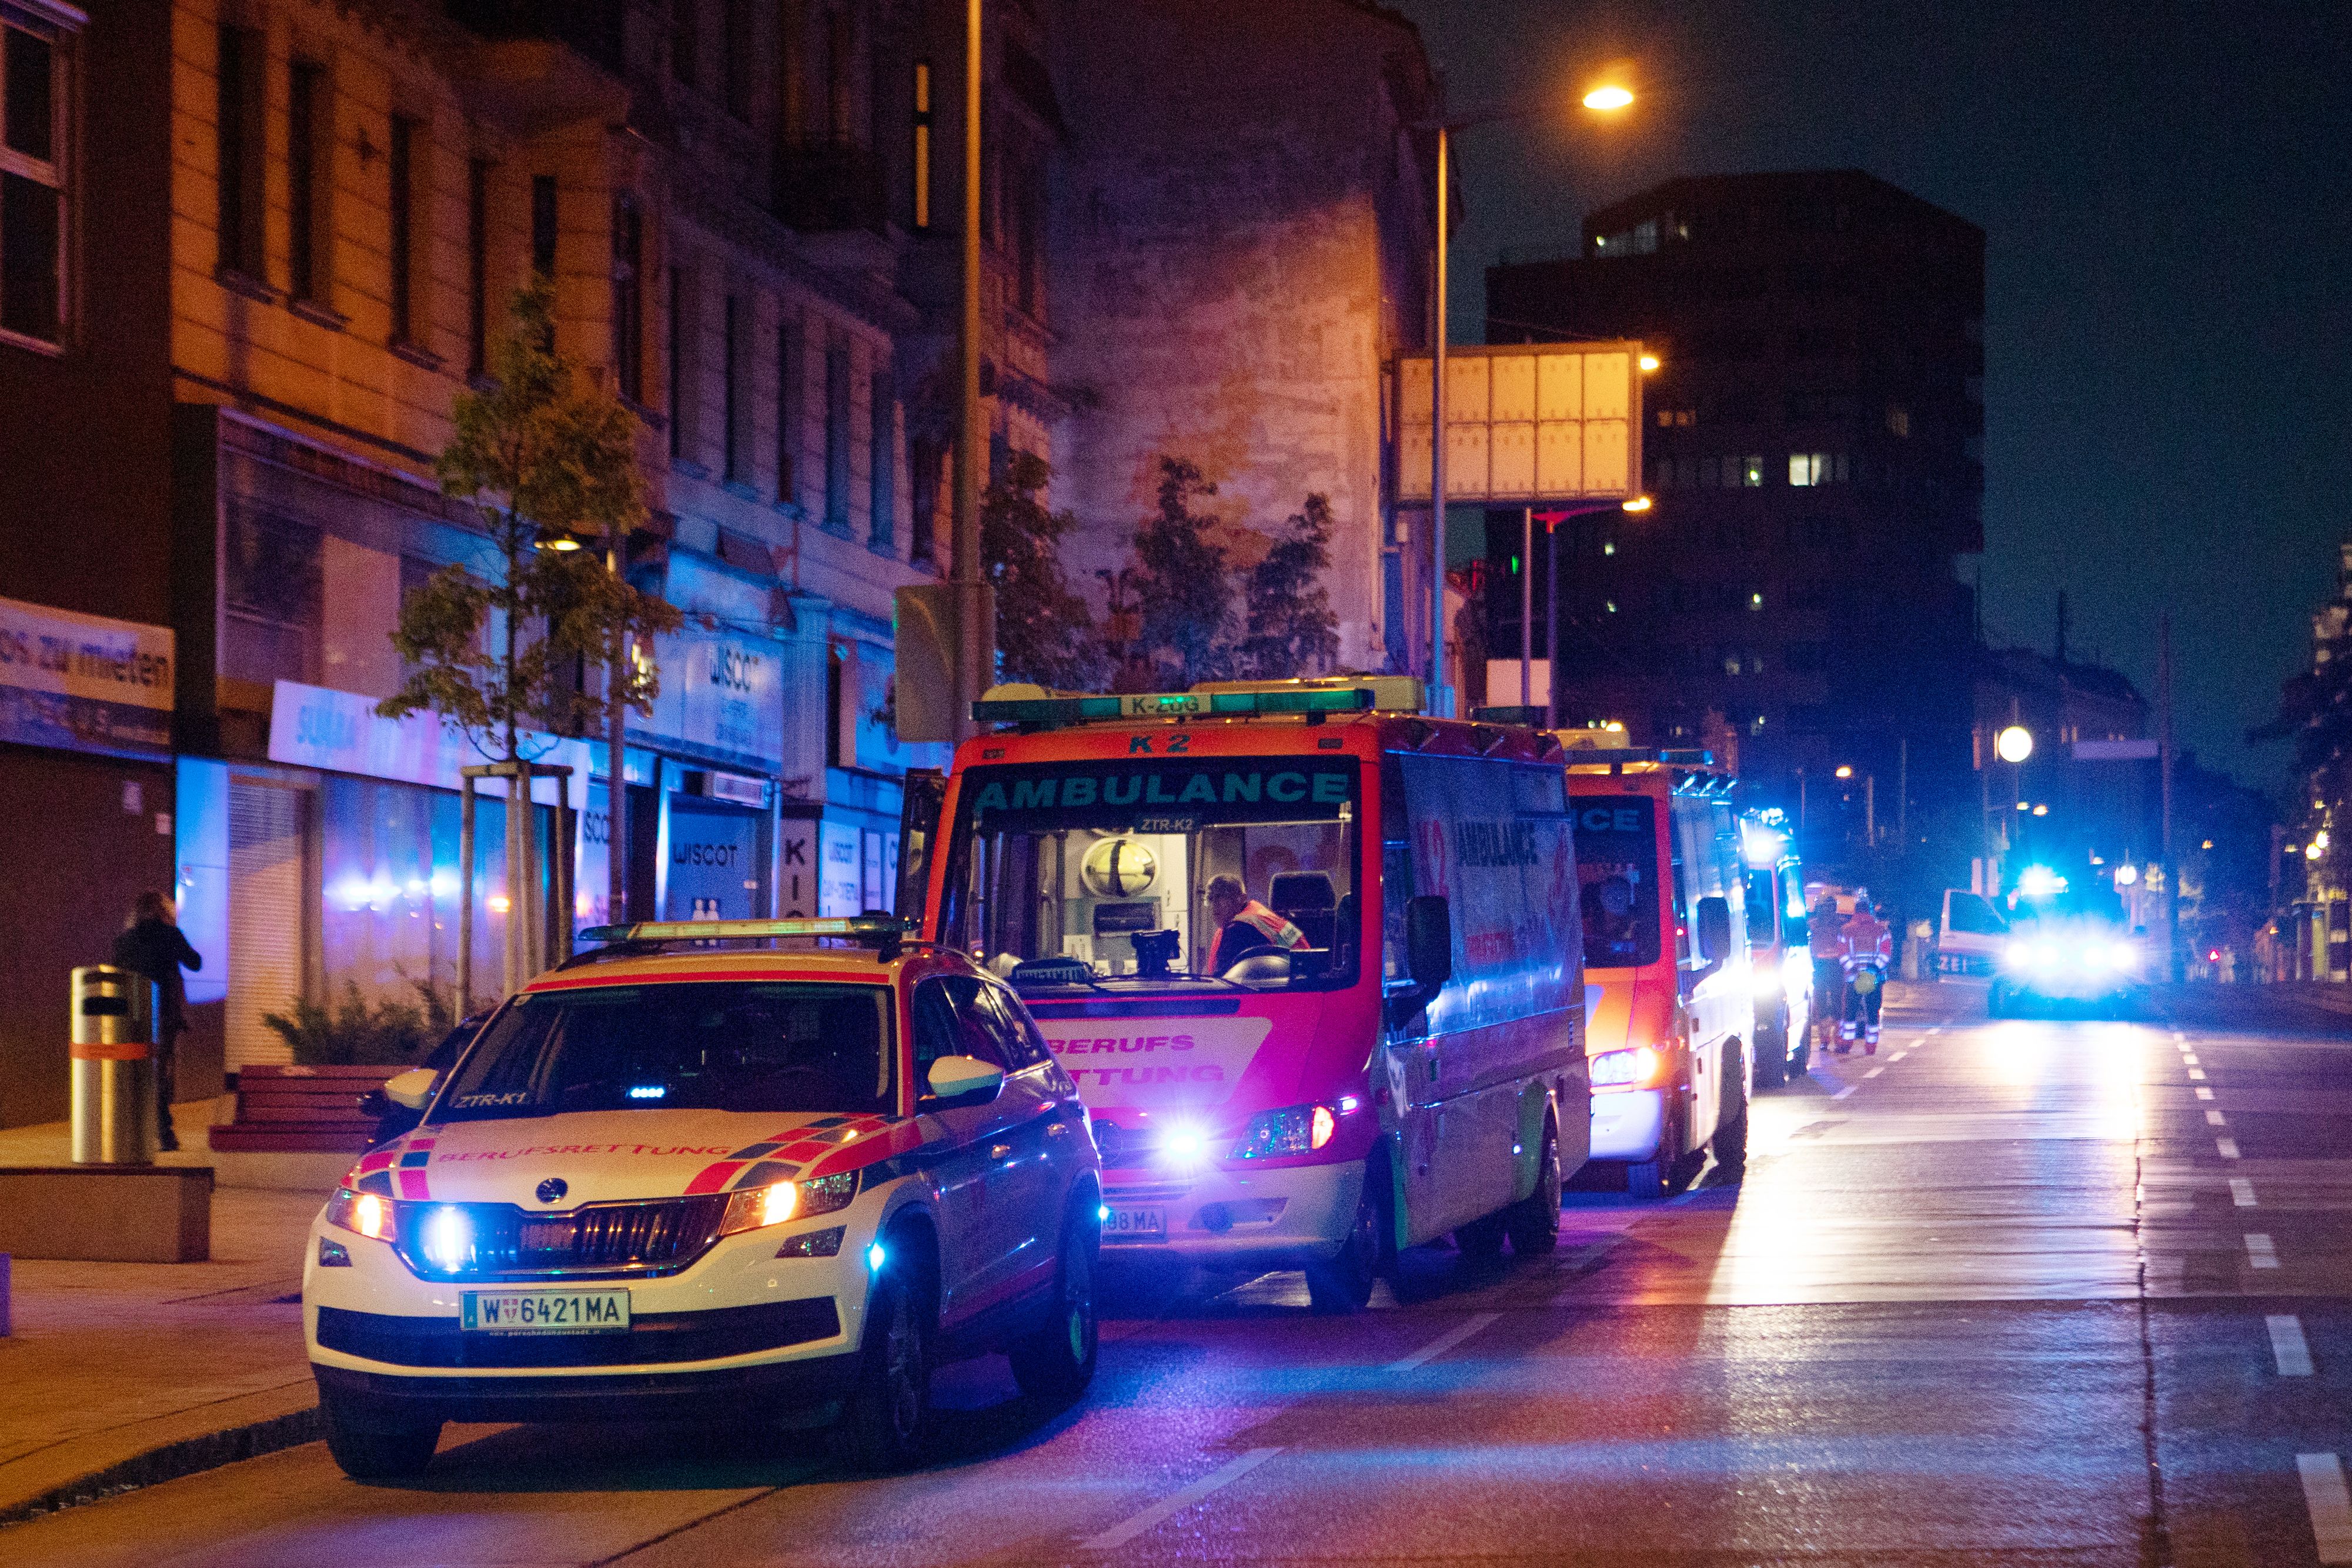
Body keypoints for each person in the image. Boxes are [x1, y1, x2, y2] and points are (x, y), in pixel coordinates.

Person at [112, 891, 202, 1152]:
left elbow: (118, 974)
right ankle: (164, 1134)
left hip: (131, 1016)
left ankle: (129, 1129)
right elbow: (195, 962)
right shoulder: (170, 935)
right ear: (163, 911)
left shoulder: (124, 941)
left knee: (132, 1071)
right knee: (160, 1072)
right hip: (164, 1014)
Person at [1204, 874, 1309, 972]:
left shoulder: (1238, 930)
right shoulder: (1261, 917)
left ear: (1242, 899)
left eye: (1222, 898)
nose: (1214, 905)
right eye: (1210, 899)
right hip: (1301, 979)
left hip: (1284, 986)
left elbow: (1224, 983)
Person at [1835, 893, 1893, 1055]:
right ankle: (1871, 1047)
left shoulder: (1845, 930)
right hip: (1875, 978)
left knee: (1850, 1013)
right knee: (1873, 1013)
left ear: (1855, 911)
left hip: (1853, 979)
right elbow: (1886, 954)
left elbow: (1843, 954)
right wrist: (1872, 970)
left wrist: (1854, 969)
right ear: (1870, 911)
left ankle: (1846, 1044)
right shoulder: (1882, 930)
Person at [1809, 892, 1846, 1052]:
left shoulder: (1842, 925)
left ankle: (1838, 1038)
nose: (1828, 912)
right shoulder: (1812, 925)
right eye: (1825, 908)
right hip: (1820, 967)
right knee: (1822, 1005)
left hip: (1836, 966)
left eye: (1830, 908)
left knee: (1838, 1003)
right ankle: (1825, 1039)